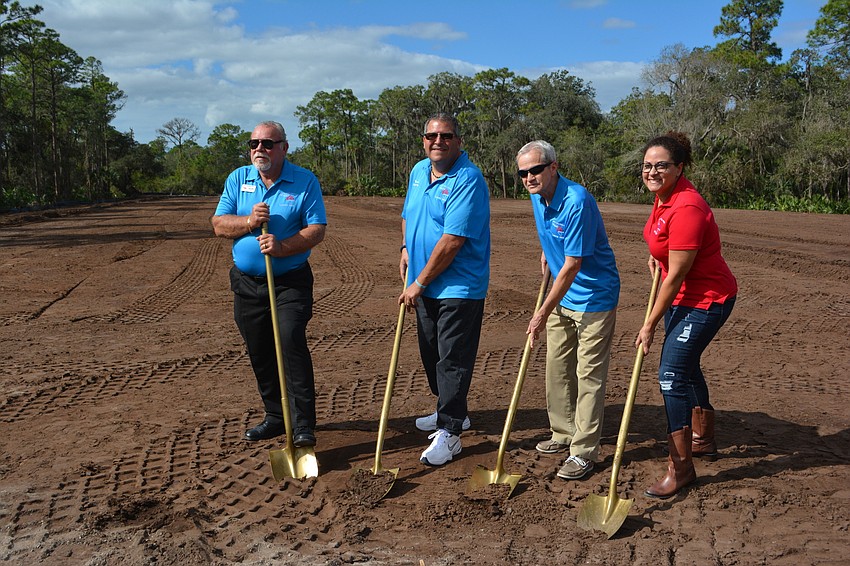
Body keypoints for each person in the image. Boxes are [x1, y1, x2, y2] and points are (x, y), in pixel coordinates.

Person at [211, 120, 327, 447]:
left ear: (284, 148)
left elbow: (317, 229)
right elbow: (219, 224)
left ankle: (303, 425)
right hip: (247, 284)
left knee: (290, 340)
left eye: (267, 144)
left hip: (289, 282)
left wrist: (282, 247)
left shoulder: (304, 181)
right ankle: (276, 416)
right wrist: (249, 222)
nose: (259, 149)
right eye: (254, 144)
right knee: (260, 350)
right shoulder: (238, 179)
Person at [635, 131, 737, 499]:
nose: (652, 171)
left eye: (661, 165)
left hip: (708, 299)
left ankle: (680, 468)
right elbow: (666, 247)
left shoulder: (688, 206)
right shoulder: (664, 197)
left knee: (671, 374)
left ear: (679, 168)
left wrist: (648, 324)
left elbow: (678, 273)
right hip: (682, 297)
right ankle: (703, 439)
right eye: (647, 165)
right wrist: (657, 255)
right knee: (687, 366)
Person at [518, 140, 621, 481]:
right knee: (557, 367)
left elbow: (574, 263)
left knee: (588, 374)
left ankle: (583, 451)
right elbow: (554, 240)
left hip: (594, 297)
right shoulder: (537, 197)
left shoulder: (576, 200)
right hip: (562, 294)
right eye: (523, 173)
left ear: (552, 167)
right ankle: (562, 433)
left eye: (534, 170)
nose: (529, 178)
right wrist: (547, 250)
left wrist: (541, 312)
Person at [399, 113, 491, 466]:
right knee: (431, 354)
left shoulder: (468, 179)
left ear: (458, 141)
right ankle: (451, 410)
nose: (437, 141)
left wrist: (419, 283)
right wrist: (405, 249)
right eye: (431, 136)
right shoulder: (419, 172)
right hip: (425, 285)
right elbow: (408, 214)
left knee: (452, 358)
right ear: (423, 140)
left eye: (446, 136)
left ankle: (451, 432)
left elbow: (453, 240)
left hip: (458, 285)